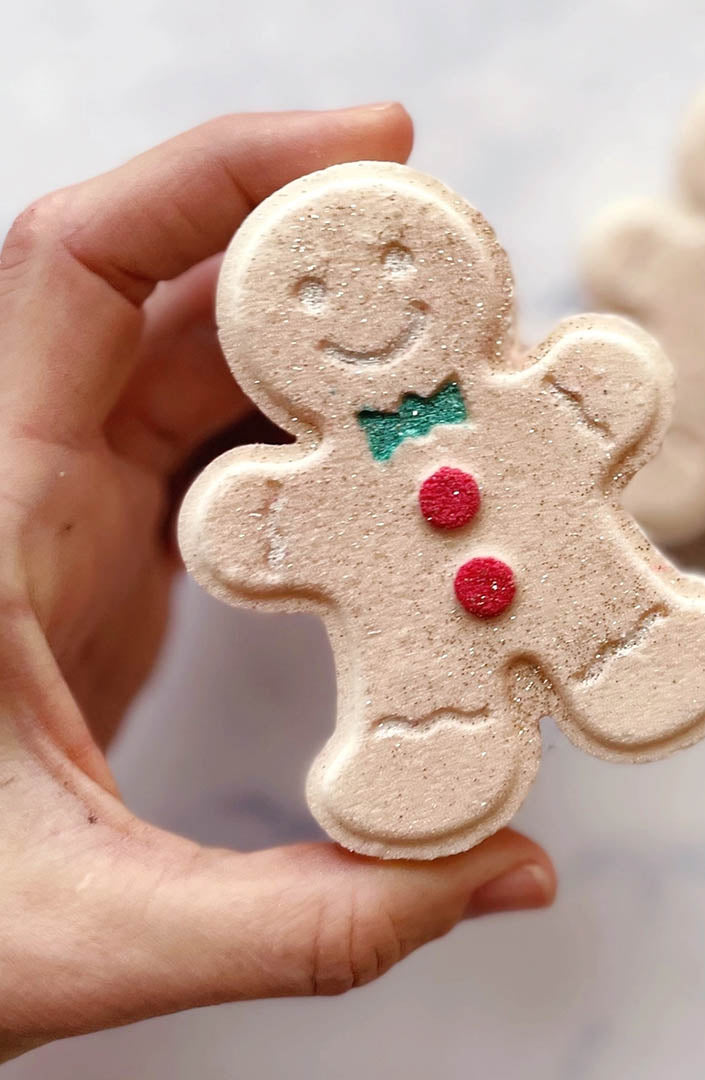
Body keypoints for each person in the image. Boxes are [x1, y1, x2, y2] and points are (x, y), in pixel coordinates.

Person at [0, 103, 556, 1064]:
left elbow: (599, 398)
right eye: (309, 294)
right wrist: (254, 517)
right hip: (411, 644)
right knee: (422, 689)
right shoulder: (328, 470)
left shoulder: (514, 400)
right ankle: (430, 746)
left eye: (394, 267)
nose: (364, 308)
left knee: (608, 602)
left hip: (571, 570)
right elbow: (261, 529)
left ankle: (638, 646)